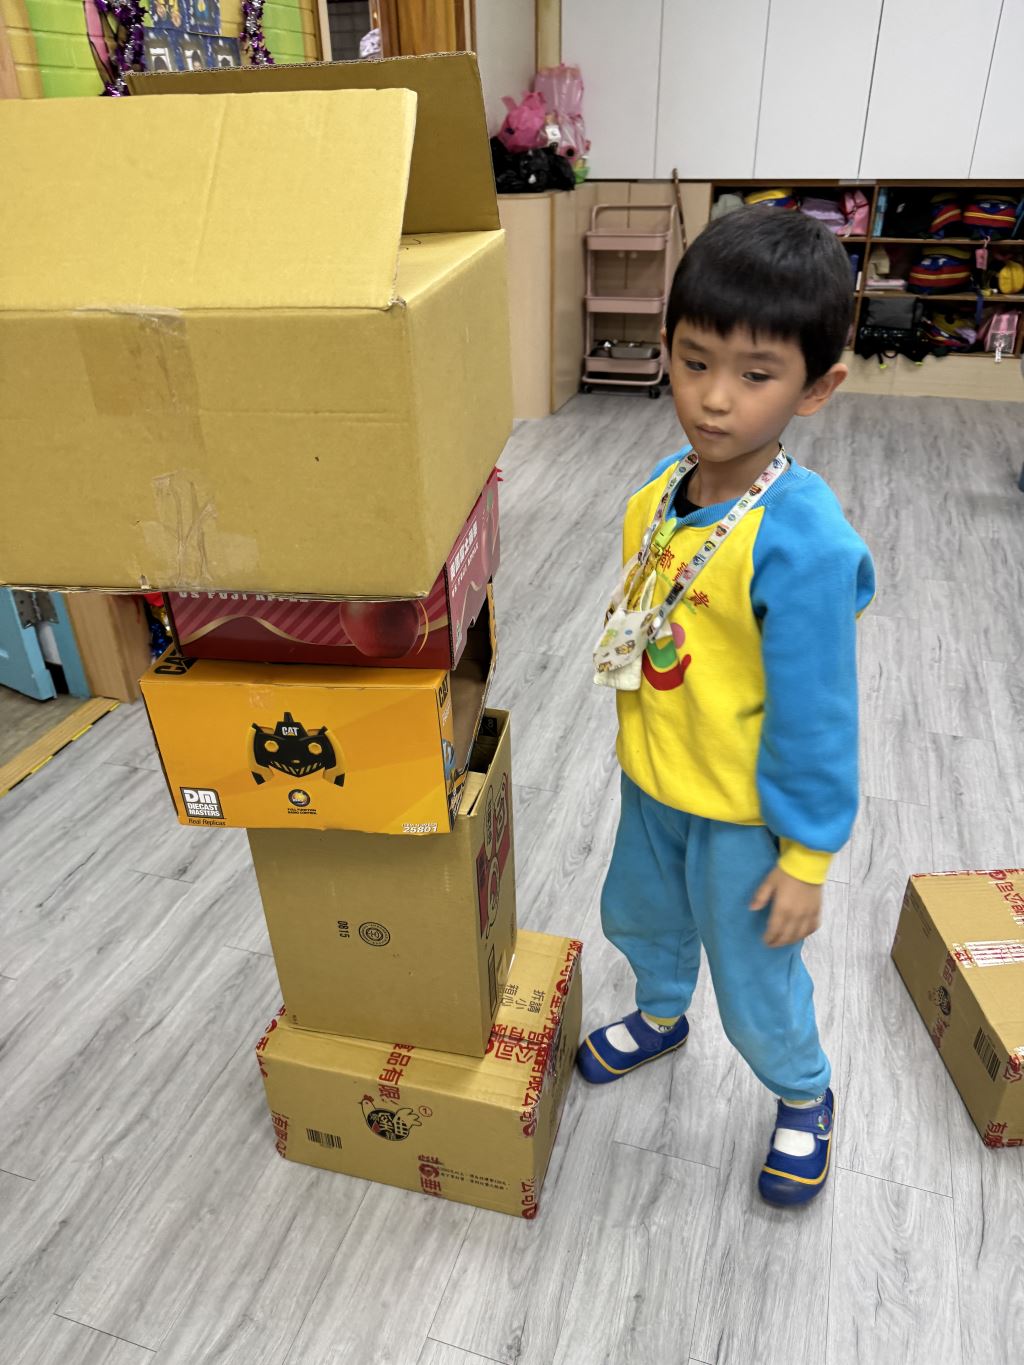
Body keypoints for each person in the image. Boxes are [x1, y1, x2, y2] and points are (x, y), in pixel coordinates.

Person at [579, 206, 876, 1207]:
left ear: (817, 388)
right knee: (641, 919)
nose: (712, 399)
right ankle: (662, 1014)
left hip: (746, 816)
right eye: (694, 361)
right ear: (664, 347)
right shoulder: (661, 490)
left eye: (755, 376)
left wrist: (806, 859)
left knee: (754, 984)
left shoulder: (803, 545)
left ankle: (803, 1090)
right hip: (656, 781)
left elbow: (818, 718)